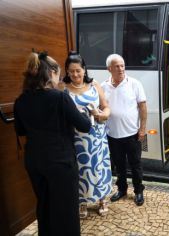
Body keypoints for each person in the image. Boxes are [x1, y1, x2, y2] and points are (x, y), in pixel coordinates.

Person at [14, 52, 91, 236]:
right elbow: (85, 126)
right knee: (66, 211)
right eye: (58, 74)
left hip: (34, 162)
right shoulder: (60, 98)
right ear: (51, 73)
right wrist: (83, 112)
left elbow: (21, 131)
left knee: (44, 205)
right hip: (60, 163)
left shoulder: (21, 101)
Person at [62, 52, 112, 218]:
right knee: (80, 170)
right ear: (67, 72)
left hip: (96, 135)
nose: (75, 74)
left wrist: (103, 115)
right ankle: (82, 202)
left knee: (99, 167)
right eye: (71, 71)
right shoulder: (62, 88)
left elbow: (106, 107)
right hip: (75, 138)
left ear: (84, 69)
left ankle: (102, 199)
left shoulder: (94, 84)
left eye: (78, 70)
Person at [101, 54, 147, 206]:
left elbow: (142, 107)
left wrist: (142, 129)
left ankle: (138, 191)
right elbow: (100, 108)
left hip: (132, 134)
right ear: (109, 69)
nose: (121, 69)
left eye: (122, 65)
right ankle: (121, 189)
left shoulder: (134, 83)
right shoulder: (103, 86)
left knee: (136, 164)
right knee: (118, 165)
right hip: (112, 135)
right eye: (117, 66)